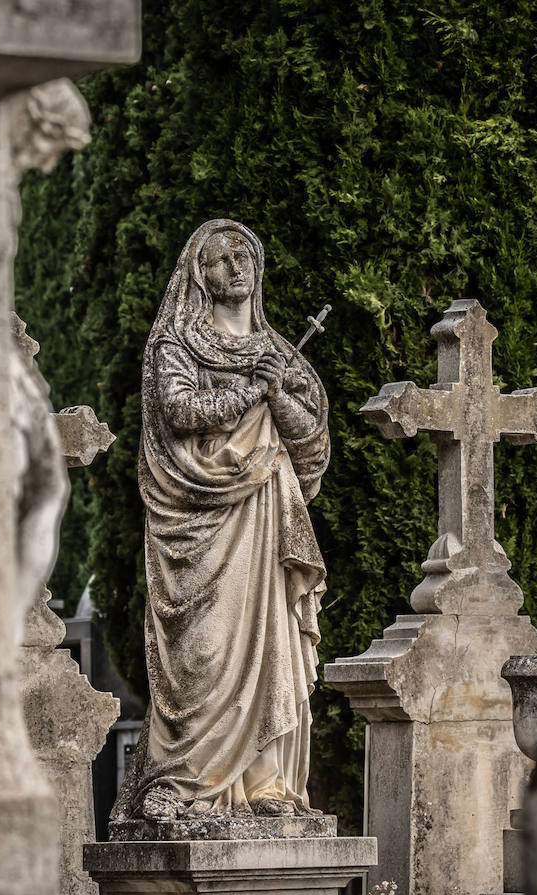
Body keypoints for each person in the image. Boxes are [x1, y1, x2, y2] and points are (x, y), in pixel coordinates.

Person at [114, 219, 331, 823]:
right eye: (219, 258)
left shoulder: (279, 352)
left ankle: (267, 785)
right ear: (198, 276)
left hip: (264, 514)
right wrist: (246, 395)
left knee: (273, 647)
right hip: (198, 521)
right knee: (203, 652)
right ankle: (186, 782)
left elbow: (312, 440)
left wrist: (278, 394)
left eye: (244, 255)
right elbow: (178, 411)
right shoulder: (177, 346)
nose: (235, 266)